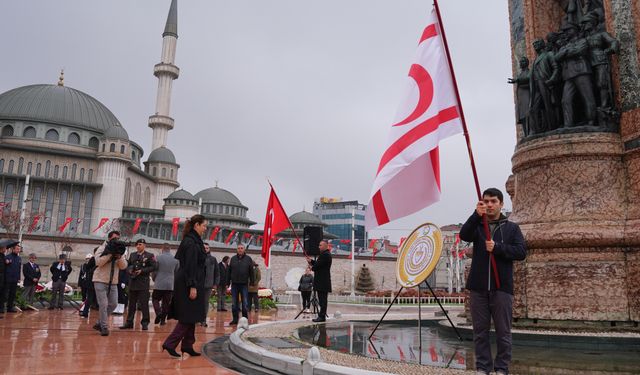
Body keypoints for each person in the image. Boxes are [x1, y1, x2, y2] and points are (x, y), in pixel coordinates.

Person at [460, 188, 527, 375]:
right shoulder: (479, 227)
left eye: (493, 201)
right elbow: (464, 235)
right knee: (480, 332)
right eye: (486, 201)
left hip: (501, 288)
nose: (489, 205)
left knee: (503, 333)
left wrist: (497, 248)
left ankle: (501, 368)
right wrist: (475, 215)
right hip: (478, 287)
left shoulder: (512, 228)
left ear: (501, 204)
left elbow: (521, 252)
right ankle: (483, 367)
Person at [162, 214, 208, 358]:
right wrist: (192, 286)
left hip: (188, 281)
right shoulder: (191, 243)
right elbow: (190, 266)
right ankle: (170, 344)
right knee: (187, 316)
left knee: (191, 314)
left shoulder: (193, 240)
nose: (206, 228)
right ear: (197, 225)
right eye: (204, 225)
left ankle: (187, 345)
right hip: (189, 282)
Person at [92, 231, 128, 336]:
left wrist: (119, 256)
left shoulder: (119, 249)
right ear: (109, 239)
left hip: (113, 282)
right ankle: (104, 327)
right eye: (114, 238)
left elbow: (123, 266)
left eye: (118, 238)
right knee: (103, 304)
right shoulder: (102, 248)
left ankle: (99, 322)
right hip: (100, 280)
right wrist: (109, 255)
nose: (116, 240)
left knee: (113, 304)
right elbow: (98, 262)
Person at [120, 238, 157, 331]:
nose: (138, 246)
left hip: (143, 283)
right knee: (131, 304)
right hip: (133, 282)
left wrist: (142, 271)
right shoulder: (132, 255)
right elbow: (128, 265)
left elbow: (154, 266)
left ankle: (145, 323)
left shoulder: (149, 255)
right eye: (137, 244)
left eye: (140, 244)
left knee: (144, 304)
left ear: (144, 245)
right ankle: (129, 322)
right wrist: (130, 270)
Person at [227, 244, 254, 325]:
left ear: (244, 249)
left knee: (245, 303)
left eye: (241, 248)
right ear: (236, 249)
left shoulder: (248, 259)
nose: (240, 249)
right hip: (234, 284)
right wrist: (227, 282)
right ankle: (235, 319)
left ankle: (245, 320)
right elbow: (229, 271)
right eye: (238, 248)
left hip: (244, 284)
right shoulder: (233, 259)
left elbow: (251, 271)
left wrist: (252, 282)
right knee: (234, 304)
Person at [152, 243, 179, 326]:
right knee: (166, 303)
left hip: (159, 282)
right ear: (170, 249)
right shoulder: (176, 259)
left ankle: (158, 312)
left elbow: (154, 270)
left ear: (162, 248)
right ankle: (163, 320)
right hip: (170, 284)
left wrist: (154, 278)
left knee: (155, 299)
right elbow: (176, 272)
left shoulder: (157, 258)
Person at [308, 240, 332, 322]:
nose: (319, 247)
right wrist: (311, 261)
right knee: (322, 300)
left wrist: (312, 267)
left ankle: (322, 316)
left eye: (320, 245)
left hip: (323, 282)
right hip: (322, 282)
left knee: (322, 300)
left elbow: (317, 266)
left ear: (325, 246)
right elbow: (319, 264)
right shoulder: (324, 255)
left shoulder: (325, 255)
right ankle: (321, 316)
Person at [201, 242, 219, 327]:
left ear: (209, 249)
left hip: (208, 285)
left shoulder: (213, 259)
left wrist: (215, 284)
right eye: (204, 248)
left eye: (207, 248)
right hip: (198, 285)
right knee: (196, 303)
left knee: (205, 302)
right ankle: (195, 319)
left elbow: (217, 273)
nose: (205, 249)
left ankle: (203, 320)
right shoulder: (197, 258)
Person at [3, 242, 22, 313]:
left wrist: (19, 278)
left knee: (12, 294)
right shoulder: (7, 257)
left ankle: (10, 307)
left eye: (19, 249)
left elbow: (19, 268)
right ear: (13, 249)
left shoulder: (19, 258)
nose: (18, 250)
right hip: (8, 278)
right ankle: (2, 307)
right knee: (5, 294)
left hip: (15, 279)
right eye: (17, 249)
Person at [79, 249, 98, 318]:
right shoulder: (93, 259)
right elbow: (87, 268)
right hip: (92, 281)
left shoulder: (103, 259)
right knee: (89, 298)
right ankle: (85, 312)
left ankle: (100, 314)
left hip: (100, 282)